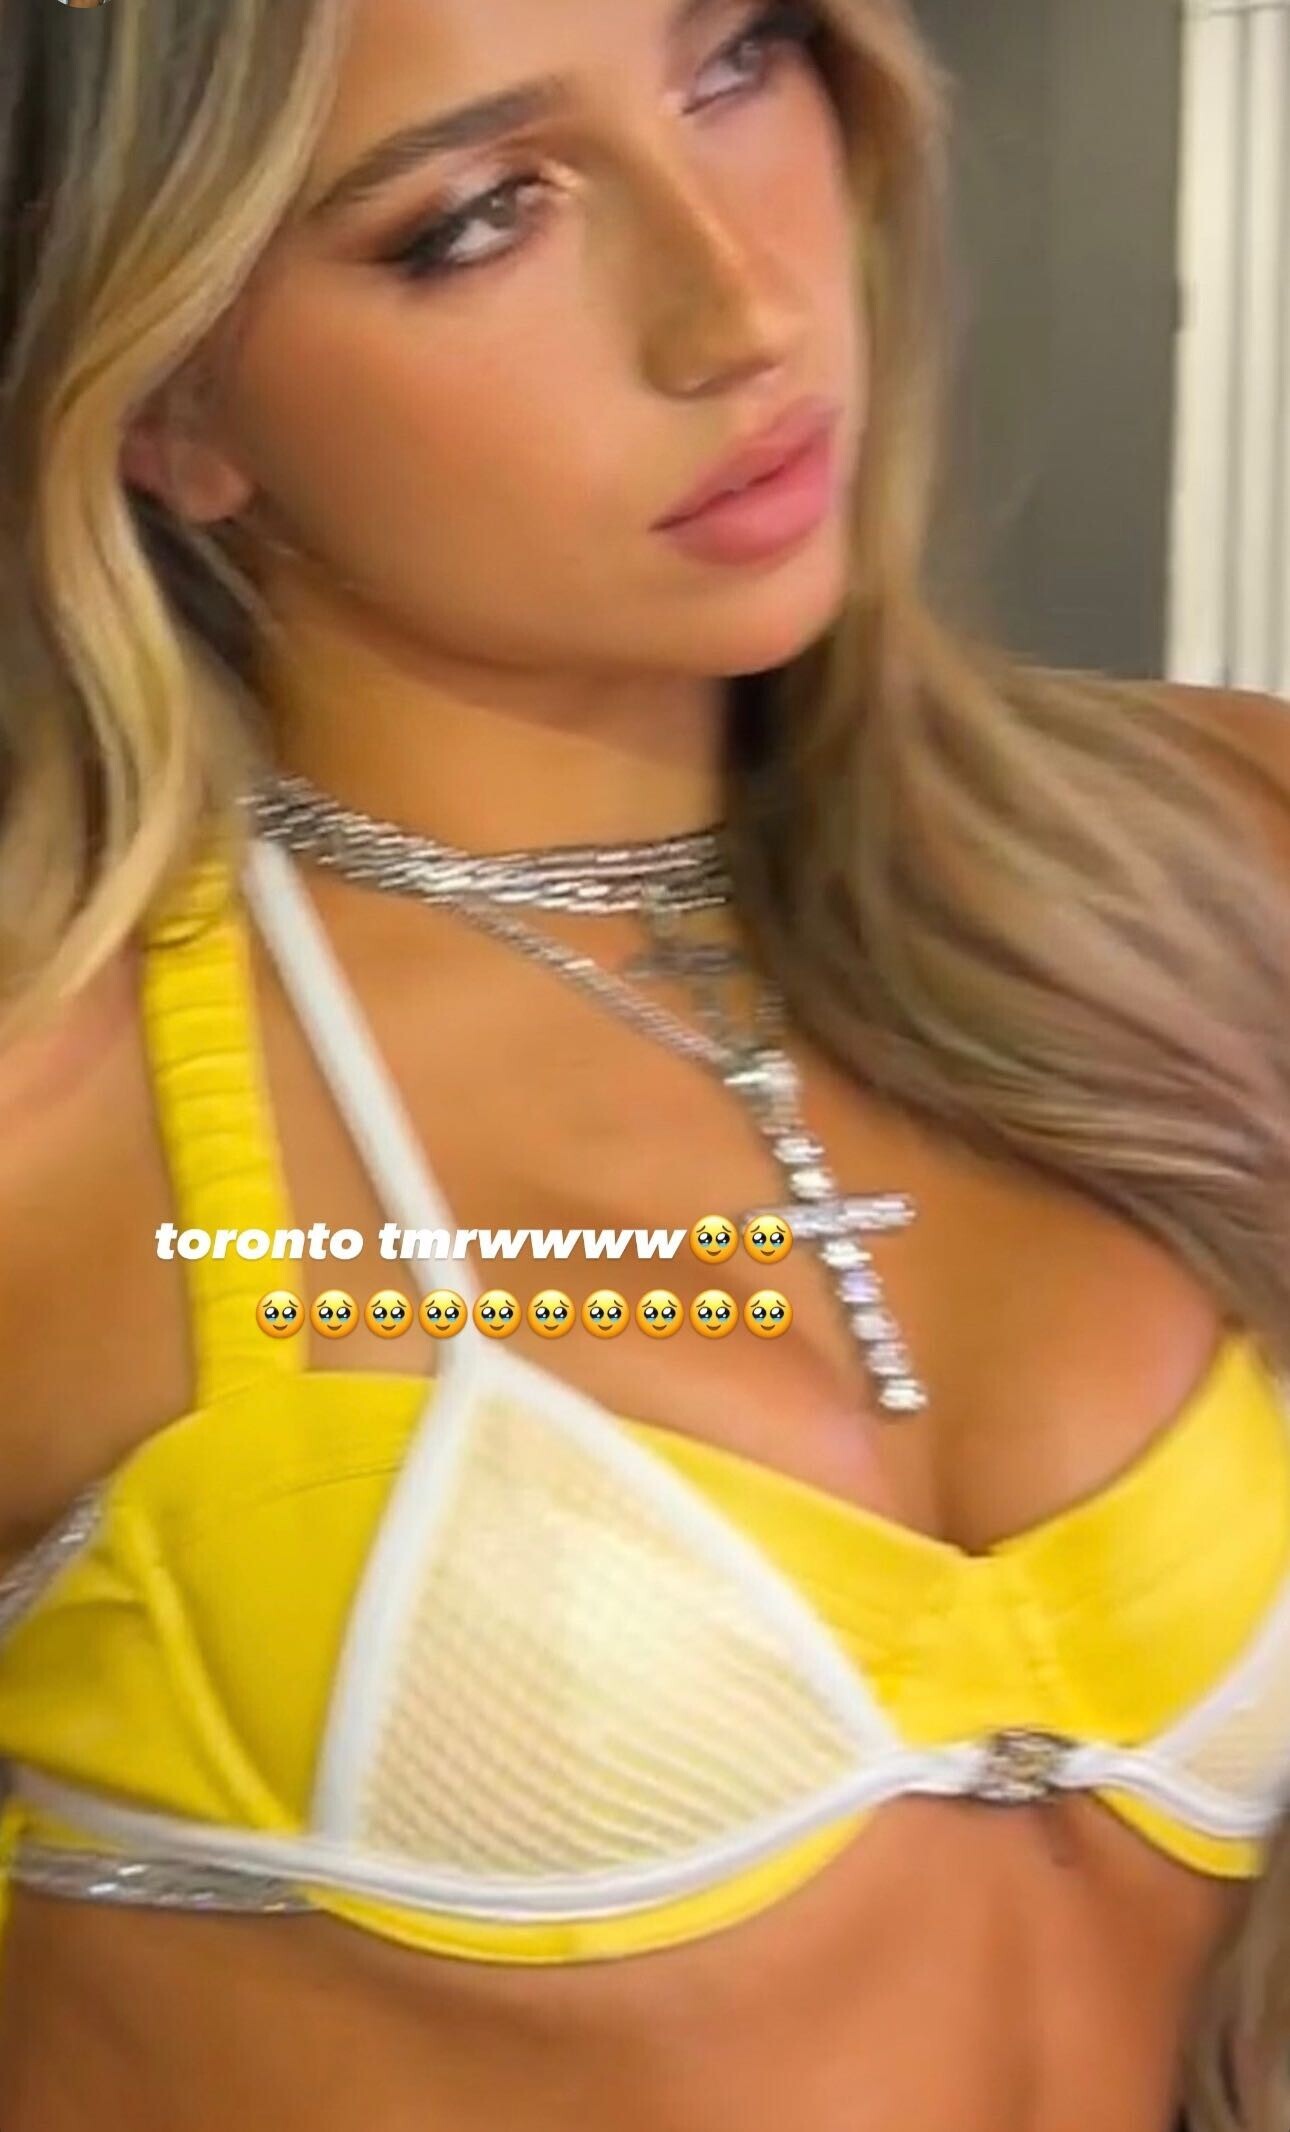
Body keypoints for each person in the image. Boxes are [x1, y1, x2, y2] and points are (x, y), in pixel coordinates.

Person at [1, 1, 1289, 2127]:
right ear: (168, 403)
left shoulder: (1224, 846)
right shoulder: (64, 1113)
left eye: (733, 65)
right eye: (476, 217)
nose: (743, 307)